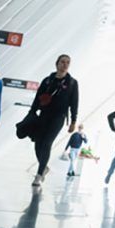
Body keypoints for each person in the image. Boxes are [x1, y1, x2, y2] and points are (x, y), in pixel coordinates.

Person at [27, 54, 79, 187]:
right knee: (38, 143)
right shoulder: (47, 80)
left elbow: (74, 103)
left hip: (58, 118)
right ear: (57, 64)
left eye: (68, 62)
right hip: (44, 115)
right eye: (62, 62)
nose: (65, 64)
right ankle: (44, 167)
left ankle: (39, 175)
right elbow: (37, 97)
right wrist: (32, 112)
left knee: (47, 143)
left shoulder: (72, 83)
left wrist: (73, 121)